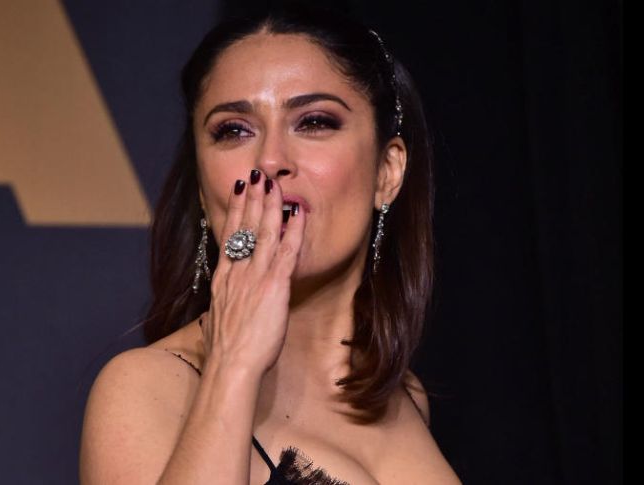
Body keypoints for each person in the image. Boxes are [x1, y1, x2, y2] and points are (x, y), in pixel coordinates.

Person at [80, 4, 462, 484]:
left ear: (387, 172)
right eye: (234, 131)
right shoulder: (147, 386)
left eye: (315, 122)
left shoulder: (404, 394)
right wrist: (233, 365)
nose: (271, 158)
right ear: (203, 187)